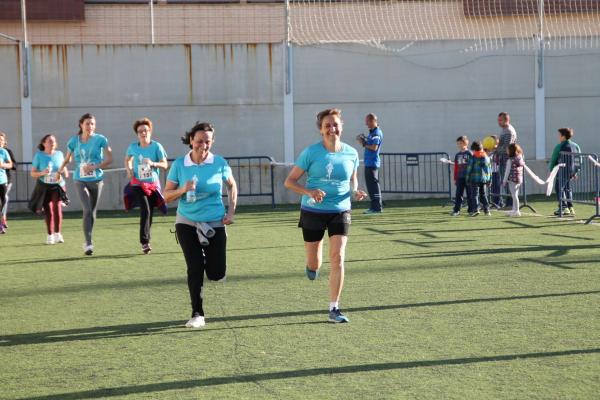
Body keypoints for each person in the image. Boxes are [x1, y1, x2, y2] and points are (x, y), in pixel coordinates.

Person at [284, 108, 367, 323]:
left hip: (340, 209)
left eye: (335, 124)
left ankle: (334, 308)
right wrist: (309, 192)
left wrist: (356, 190)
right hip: (313, 210)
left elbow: (353, 178)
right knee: (315, 263)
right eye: (327, 125)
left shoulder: (351, 153)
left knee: (338, 257)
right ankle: (311, 266)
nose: (332, 129)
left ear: (342, 126)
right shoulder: (311, 153)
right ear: (321, 130)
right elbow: (290, 181)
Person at [164, 121, 237, 329]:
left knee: (216, 273)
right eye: (199, 141)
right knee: (194, 267)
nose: (203, 146)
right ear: (191, 141)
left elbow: (232, 186)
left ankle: (211, 259)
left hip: (215, 221)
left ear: (212, 142)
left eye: (207, 141)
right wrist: (182, 190)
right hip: (186, 221)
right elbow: (166, 195)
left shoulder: (219, 163)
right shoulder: (180, 164)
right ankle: (197, 313)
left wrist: (231, 211)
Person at [56, 113, 113, 255]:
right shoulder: (74, 141)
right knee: (86, 209)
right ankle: (88, 243)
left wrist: (94, 167)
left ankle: (88, 237)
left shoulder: (101, 139)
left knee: (92, 212)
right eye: (87, 123)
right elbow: (68, 159)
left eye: (92, 124)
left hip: (97, 179)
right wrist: (59, 170)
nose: (90, 126)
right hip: (79, 179)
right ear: (81, 125)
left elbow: (109, 159)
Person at [124, 118, 169, 254]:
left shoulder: (157, 147)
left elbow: (165, 164)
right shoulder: (133, 147)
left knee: (150, 212)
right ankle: (144, 242)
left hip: (153, 185)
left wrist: (153, 163)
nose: (143, 133)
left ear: (150, 131)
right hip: (138, 183)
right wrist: (129, 169)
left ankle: (146, 239)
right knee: (146, 210)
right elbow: (127, 159)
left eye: (146, 130)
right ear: (137, 134)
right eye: (140, 131)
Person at [30, 134, 69, 244]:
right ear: (44, 143)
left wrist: (64, 172)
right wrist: (43, 172)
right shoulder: (39, 155)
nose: (52, 143)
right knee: (49, 211)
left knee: (57, 208)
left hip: (58, 185)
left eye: (54, 141)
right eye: (50, 141)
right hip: (44, 186)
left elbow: (63, 166)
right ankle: (50, 235)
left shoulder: (60, 154)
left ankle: (58, 234)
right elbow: (32, 173)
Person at [549, 127, 581, 216]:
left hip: (562, 170)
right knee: (567, 188)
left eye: (559, 135)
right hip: (571, 171)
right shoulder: (576, 145)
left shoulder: (559, 146)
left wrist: (551, 170)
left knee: (559, 188)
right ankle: (571, 208)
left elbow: (554, 159)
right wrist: (576, 171)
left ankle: (563, 207)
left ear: (563, 136)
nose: (558, 137)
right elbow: (579, 159)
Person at [356, 113, 383, 213]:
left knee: (373, 185)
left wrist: (364, 143)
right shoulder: (373, 133)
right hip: (369, 163)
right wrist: (366, 140)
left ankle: (377, 207)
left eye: (367, 121)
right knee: (371, 186)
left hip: (372, 163)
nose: (366, 123)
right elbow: (371, 144)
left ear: (373, 121)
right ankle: (374, 207)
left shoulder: (376, 133)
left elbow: (374, 147)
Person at [496, 112, 518, 208]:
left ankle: (510, 203)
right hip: (503, 159)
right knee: (505, 181)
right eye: (498, 120)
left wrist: (495, 150)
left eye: (500, 120)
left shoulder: (509, 131)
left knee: (508, 181)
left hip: (507, 160)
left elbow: (506, 147)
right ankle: (508, 202)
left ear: (506, 120)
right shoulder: (504, 130)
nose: (498, 122)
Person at [465, 140, 492, 217]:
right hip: (484, 179)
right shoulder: (486, 157)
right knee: (483, 194)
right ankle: (487, 210)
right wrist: (489, 180)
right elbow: (489, 170)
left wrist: (467, 178)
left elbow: (469, 169)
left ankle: (476, 209)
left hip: (474, 179)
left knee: (474, 195)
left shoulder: (473, 157)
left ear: (473, 149)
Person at [451, 136, 471, 216]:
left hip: (468, 178)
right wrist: (455, 178)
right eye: (458, 144)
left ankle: (471, 210)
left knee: (470, 194)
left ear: (465, 143)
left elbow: (472, 166)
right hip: (460, 178)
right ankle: (456, 210)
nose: (458, 145)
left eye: (460, 143)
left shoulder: (469, 153)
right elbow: (456, 167)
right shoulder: (457, 155)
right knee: (458, 194)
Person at [502, 143, 524, 217]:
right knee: (515, 195)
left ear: (511, 151)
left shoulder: (510, 160)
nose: (507, 151)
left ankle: (517, 211)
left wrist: (504, 181)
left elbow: (507, 171)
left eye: (508, 150)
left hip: (512, 179)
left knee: (514, 195)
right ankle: (514, 210)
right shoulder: (520, 158)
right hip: (519, 179)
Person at [0, 132, 17, 231]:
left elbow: (13, 165)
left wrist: (3, 165)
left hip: (5, 179)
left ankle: (3, 220)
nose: (0, 142)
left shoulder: (6, 152)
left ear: (4, 141)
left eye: (1, 140)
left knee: (4, 199)